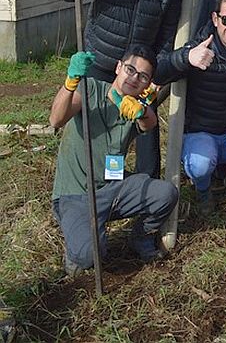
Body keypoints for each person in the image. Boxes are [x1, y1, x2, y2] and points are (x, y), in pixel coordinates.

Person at [57, 0, 182, 178]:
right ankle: (86, 183)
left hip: (139, 71)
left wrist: (156, 72)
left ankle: (146, 192)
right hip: (101, 59)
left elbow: (168, 28)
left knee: (143, 127)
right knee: (91, 125)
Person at [50, 46, 178, 276]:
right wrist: (70, 82)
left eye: (143, 76)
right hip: (76, 194)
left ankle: (140, 236)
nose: (134, 78)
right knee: (90, 257)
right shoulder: (90, 89)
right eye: (130, 69)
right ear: (119, 67)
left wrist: (142, 111)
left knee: (165, 193)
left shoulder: (134, 107)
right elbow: (56, 119)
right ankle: (78, 246)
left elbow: (149, 125)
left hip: (113, 188)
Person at [154, 0, 226, 214]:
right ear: (215, 18)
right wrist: (185, 58)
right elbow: (159, 73)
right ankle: (203, 191)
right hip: (201, 133)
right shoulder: (200, 46)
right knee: (200, 165)